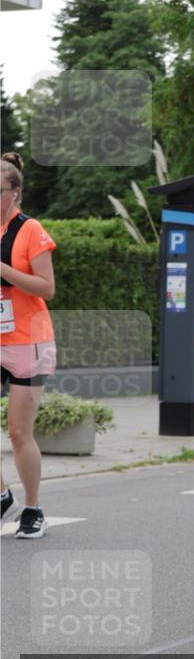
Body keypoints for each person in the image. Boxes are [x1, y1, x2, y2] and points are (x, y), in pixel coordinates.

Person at [0, 152, 57, 538]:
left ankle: (33, 508)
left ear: (15, 192)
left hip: (28, 341)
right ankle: (3, 496)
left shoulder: (30, 229)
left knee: (19, 432)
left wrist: (3, 269)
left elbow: (46, 288)